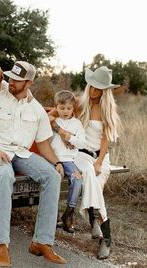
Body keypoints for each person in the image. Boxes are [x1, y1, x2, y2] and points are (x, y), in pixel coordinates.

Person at [0, 61, 67, 266]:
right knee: (5, 175)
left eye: (17, 79)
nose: (11, 82)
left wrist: (57, 162)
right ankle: (2, 245)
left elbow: (43, 143)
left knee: (52, 176)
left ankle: (41, 242)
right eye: (11, 77)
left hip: (20, 154)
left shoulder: (37, 109)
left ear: (29, 82)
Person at [51, 66, 122, 259]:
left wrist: (99, 162)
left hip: (100, 158)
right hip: (81, 155)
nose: (93, 92)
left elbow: (106, 140)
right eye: (91, 87)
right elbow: (51, 115)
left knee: (94, 182)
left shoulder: (108, 111)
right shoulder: (80, 104)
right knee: (89, 174)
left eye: (98, 89)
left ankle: (99, 228)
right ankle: (99, 231)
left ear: (105, 91)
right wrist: (61, 131)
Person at [49, 90, 86, 233]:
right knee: (53, 181)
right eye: (62, 108)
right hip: (54, 159)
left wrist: (70, 138)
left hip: (69, 160)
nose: (65, 111)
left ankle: (69, 214)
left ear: (73, 108)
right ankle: (52, 216)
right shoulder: (53, 121)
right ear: (56, 106)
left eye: (69, 108)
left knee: (77, 179)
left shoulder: (76, 124)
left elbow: (82, 143)